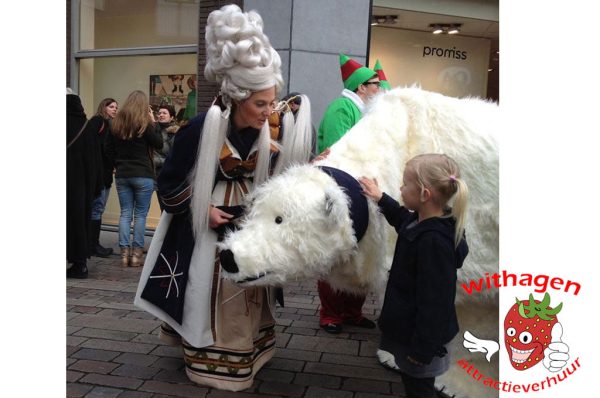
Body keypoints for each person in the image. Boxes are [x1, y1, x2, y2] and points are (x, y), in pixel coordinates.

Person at [134, 4, 313, 392]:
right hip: (207, 225)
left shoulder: (270, 130)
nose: (269, 112)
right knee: (211, 286)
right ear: (237, 97)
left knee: (248, 283)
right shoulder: (200, 128)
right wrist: (205, 211)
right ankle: (209, 356)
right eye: (260, 104)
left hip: (249, 218)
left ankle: (246, 350)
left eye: (272, 102)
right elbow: (167, 183)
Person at [359, 154, 469, 398]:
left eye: (405, 184)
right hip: (414, 331)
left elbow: (435, 303)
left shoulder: (433, 242)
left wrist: (422, 350)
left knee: (418, 387)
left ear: (424, 195)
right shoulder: (424, 221)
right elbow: (402, 219)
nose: (400, 188)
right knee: (414, 383)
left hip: (422, 339)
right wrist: (381, 198)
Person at [315, 54, 380, 334]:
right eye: (375, 83)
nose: (380, 88)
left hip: (362, 190)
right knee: (336, 251)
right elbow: (337, 152)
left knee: (359, 253)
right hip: (341, 192)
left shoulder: (365, 110)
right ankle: (330, 313)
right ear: (360, 87)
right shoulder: (342, 108)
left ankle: (352, 311)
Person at [105, 90, 163, 267]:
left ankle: (124, 254)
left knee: (125, 214)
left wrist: (116, 163)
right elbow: (159, 144)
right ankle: (137, 255)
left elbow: (107, 149)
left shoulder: (116, 124)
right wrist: (154, 123)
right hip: (143, 174)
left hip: (123, 174)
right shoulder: (144, 124)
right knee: (140, 215)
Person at [67, 89, 103, 279]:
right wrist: (96, 186)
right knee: (79, 221)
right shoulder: (87, 127)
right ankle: (80, 263)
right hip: (82, 186)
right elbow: (95, 159)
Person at [89, 97, 118, 257]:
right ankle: (93, 244)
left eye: (116, 107)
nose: (115, 109)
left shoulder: (107, 124)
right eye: (111, 106)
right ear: (104, 107)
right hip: (99, 174)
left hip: (104, 174)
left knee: (98, 208)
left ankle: (92, 243)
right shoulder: (98, 121)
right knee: (97, 208)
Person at [153, 104, 179, 181]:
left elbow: (174, 155)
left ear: (172, 117)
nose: (161, 115)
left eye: (164, 113)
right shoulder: (152, 129)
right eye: (159, 113)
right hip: (152, 171)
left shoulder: (175, 132)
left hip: (167, 171)